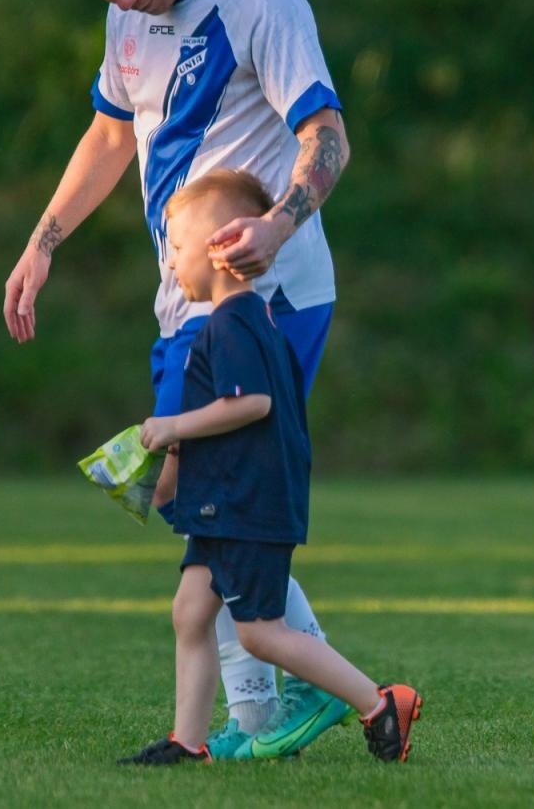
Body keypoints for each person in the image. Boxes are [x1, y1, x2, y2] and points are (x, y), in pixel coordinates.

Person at [3, 0, 353, 756]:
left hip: (261, 291)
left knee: (200, 491)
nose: (123, 1)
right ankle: (271, 706)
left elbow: (327, 137)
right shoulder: (129, 23)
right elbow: (113, 132)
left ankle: (274, 707)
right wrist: (43, 241)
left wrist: (277, 222)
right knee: (195, 496)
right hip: (187, 296)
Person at [118, 171, 422, 765]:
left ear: (219, 249)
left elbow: (251, 405)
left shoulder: (233, 323)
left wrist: (174, 427)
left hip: (246, 507)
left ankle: (379, 701)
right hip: (221, 502)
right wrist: (171, 466)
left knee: (258, 630)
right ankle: (186, 742)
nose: (171, 262)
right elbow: (238, 419)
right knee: (191, 612)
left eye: (176, 248)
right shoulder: (242, 323)